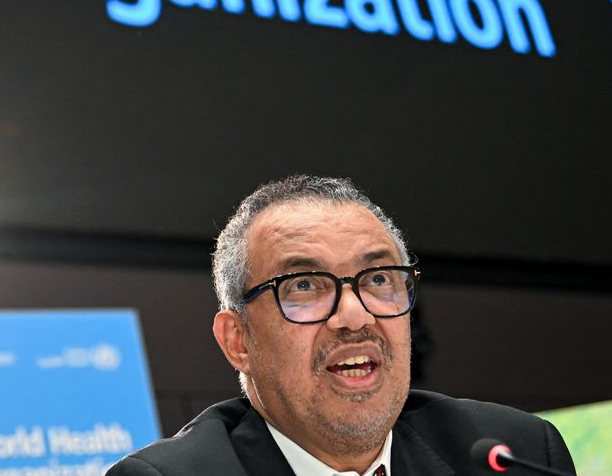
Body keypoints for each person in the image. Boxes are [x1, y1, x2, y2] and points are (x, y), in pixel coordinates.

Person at [107, 175, 575, 476]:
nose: (355, 316)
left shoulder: (514, 454)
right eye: (304, 286)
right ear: (238, 341)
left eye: (378, 279)